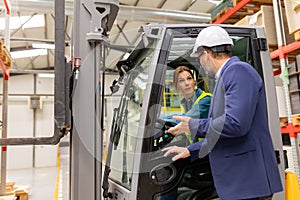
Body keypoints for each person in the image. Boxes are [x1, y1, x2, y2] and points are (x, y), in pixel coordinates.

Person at [162, 26, 283, 200]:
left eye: (200, 58)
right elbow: (221, 133)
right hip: (240, 182)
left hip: (247, 181)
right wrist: (191, 150)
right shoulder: (227, 76)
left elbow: (235, 124)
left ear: (207, 53)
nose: (202, 63)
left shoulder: (238, 71)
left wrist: (193, 126)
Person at [173, 66, 211, 143]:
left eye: (189, 78)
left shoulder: (206, 99)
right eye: (181, 81)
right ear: (176, 86)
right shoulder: (185, 103)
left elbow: (185, 119)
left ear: (194, 81)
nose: (187, 83)